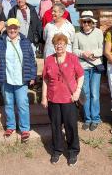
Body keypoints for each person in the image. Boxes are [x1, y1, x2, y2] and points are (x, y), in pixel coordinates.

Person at [0, 18, 37, 142]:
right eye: (10, 27)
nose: (12, 30)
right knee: (8, 104)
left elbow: (31, 60)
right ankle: (11, 126)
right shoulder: (0, 42)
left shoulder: (25, 42)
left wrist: (32, 76)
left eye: (15, 27)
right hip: (6, 78)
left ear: (19, 28)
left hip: (21, 79)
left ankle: (25, 129)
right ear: (6, 28)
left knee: (22, 104)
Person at [41, 34, 84, 166]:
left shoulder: (72, 58)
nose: (59, 46)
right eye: (56, 44)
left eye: (62, 43)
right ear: (53, 45)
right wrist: (44, 97)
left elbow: (80, 75)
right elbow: (45, 79)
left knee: (71, 126)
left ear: (66, 45)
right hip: (53, 98)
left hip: (69, 98)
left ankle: (73, 150)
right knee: (55, 125)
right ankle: (57, 149)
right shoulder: (48, 60)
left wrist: (77, 91)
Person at [73, 10, 103, 131]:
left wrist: (93, 53)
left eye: (88, 21)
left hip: (95, 66)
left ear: (92, 22)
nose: (86, 24)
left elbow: (101, 49)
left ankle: (95, 118)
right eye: (83, 21)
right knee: (85, 93)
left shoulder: (99, 32)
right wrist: (83, 53)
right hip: (83, 67)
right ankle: (87, 118)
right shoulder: (77, 35)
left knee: (95, 94)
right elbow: (74, 50)